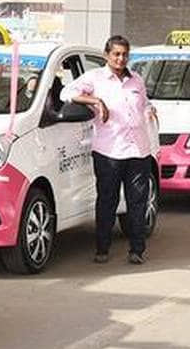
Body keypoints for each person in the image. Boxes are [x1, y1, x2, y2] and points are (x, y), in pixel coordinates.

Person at [61, 35, 156, 265]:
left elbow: (144, 103)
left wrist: (151, 110)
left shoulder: (137, 81)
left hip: (138, 151)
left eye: (124, 54)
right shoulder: (95, 78)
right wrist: (96, 102)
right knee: (107, 201)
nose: (120, 59)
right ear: (107, 55)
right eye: (116, 54)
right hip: (109, 152)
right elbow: (66, 94)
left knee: (137, 202)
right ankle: (102, 248)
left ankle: (136, 250)